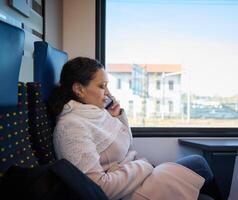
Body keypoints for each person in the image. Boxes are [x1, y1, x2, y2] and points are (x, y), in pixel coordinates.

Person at [48, 57, 221, 200]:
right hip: (128, 191)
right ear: (79, 89)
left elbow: (124, 144)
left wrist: (116, 116)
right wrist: (144, 166)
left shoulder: (95, 113)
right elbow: (99, 189)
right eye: (102, 86)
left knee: (198, 163)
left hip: (133, 176)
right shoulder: (71, 128)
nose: (108, 93)